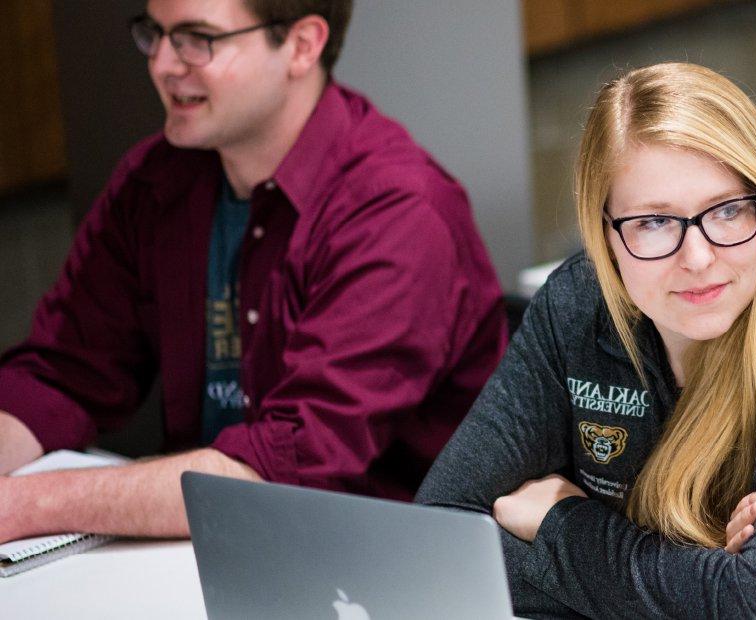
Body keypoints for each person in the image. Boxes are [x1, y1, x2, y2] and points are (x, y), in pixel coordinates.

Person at [416, 62, 756, 618]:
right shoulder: (580, 305)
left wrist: (565, 524)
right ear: (603, 232)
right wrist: (701, 582)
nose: (699, 258)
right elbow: (442, 535)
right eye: (654, 222)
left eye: (728, 211)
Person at [0, 0, 506, 543]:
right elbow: (59, 374)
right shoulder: (158, 182)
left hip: (376, 566)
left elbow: (287, 466)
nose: (163, 64)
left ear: (302, 45)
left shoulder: (398, 211)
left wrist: (26, 505)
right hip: (221, 542)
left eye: (198, 38)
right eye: (157, 33)